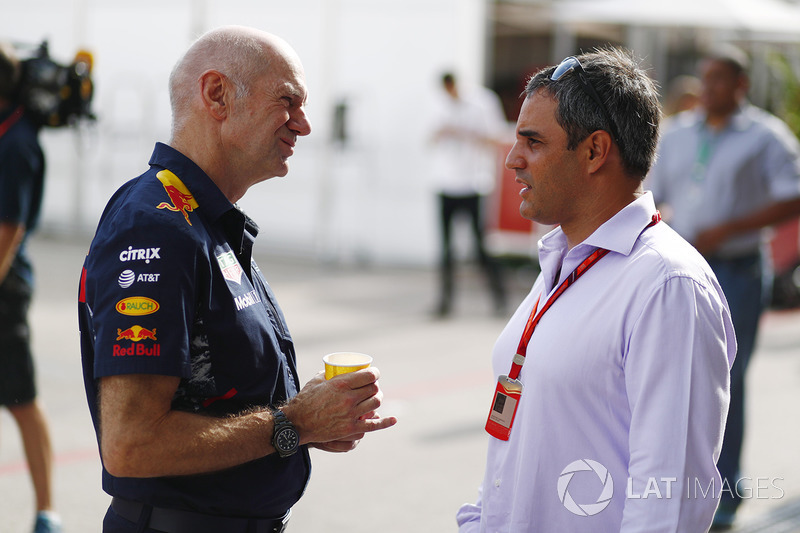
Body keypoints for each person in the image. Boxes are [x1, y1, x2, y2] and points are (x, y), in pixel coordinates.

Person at [77, 26, 397, 533]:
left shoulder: (204, 222)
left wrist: (305, 417)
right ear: (217, 95)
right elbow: (131, 446)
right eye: (287, 101)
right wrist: (295, 423)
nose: (304, 125)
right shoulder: (158, 225)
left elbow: (221, 397)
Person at [456, 48, 736, 532]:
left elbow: (667, 503)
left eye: (533, 142)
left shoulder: (668, 286)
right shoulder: (562, 259)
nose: (512, 159)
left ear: (594, 151)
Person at [647, 45, 800, 529]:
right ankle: (672, 485)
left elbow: (793, 195)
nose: (707, 87)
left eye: (719, 79)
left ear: (741, 86)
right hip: (678, 269)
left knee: (723, 380)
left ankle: (726, 490)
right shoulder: (676, 135)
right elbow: (651, 194)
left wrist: (730, 226)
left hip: (735, 269)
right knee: (672, 377)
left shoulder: (765, 137)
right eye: (703, 77)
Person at [0, 42, 63, 533]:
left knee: (20, 399)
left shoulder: (17, 142)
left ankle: (47, 513)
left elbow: (8, 230)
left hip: (4, 288)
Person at [429, 72, 507, 317]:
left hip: (474, 184)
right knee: (445, 249)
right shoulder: (439, 105)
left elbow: (497, 140)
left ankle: (499, 298)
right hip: (446, 183)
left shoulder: (483, 102)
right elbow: (428, 140)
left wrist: (464, 133)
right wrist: (442, 133)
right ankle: (445, 303)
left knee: (481, 247)